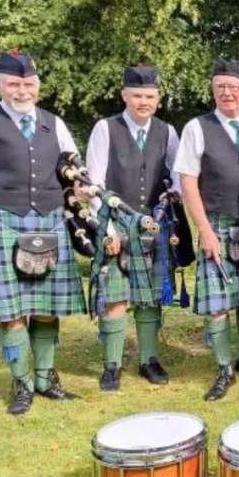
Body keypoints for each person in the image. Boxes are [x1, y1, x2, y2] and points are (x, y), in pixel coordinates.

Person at [0, 50, 86, 414]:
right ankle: (21, 382)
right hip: (0, 224)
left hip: (48, 221)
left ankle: (46, 379)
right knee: (10, 311)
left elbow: (72, 175)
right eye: (13, 83)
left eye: (28, 83)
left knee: (46, 308)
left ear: (38, 85)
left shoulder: (54, 123)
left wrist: (85, 197)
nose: (21, 90)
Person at [174, 60, 239, 401]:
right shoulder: (197, 128)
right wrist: (204, 230)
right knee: (218, 303)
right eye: (220, 87)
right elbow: (187, 182)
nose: (227, 93)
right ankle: (224, 368)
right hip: (217, 223)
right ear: (213, 90)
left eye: (233, 87)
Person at [85, 64, 180, 390]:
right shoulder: (105, 129)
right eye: (137, 95)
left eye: (150, 96)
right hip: (115, 223)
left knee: (150, 297)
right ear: (124, 95)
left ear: (158, 98)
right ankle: (111, 366)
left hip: (152, 226)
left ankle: (148, 360)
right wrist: (105, 229)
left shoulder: (168, 132)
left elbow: (178, 174)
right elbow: (94, 182)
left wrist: (175, 192)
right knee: (116, 298)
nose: (144, 101)